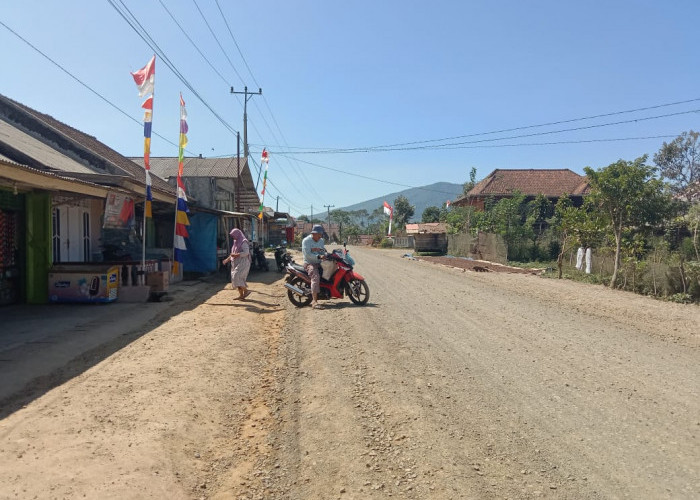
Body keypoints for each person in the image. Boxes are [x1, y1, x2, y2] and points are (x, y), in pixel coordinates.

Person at [222, 228, 251, 300]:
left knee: (236, 276)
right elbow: (232, 254)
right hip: (236, 262)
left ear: (238, 234)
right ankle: (241, 295)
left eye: (234, 235)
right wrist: (227, 260)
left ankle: (246, 291)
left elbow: (246, 253)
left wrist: (237, 255)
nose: (233, 237)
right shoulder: (236, 242)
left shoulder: (243, 242)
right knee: (236, 278)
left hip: (243, 262)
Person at [302, 224, 326, 309]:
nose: (320, 236)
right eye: (319, 234)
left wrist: (327, 255)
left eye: (321, 234)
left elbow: (323, 251)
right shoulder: (306, 241)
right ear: (313, 233)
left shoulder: (321, 241)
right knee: (315, 277)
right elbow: (307, 254)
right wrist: (319, 257)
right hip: (309, 263)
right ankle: (314, 302)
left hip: (319, 262)